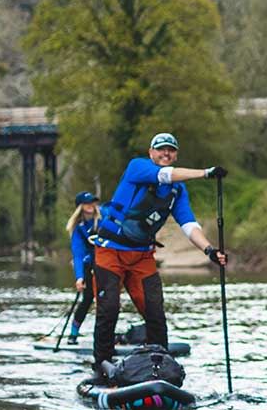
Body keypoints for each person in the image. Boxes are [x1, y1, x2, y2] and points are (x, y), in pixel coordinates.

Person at [88, 132, 228, 380]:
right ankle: (102, 366)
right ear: (151, 152)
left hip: (142, 256)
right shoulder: (138, 167)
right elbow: (165, 175)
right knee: (109, 308)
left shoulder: (177, 191)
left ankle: (161, 364)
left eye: (171, 151)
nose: (166, 154)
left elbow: (188, 225)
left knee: (154, 311)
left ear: (176, 155)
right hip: (110, 251)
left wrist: (210, 250)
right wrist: (205, 173)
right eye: (161, 149)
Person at [64, 191, 100, 344]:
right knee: (87, 299)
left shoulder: (103, 218)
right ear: (80, 207)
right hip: (89, 264)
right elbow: (78, 254)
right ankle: (73, 334)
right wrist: (79, 277)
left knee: (106, 300)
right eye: (87, 203)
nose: (90, 206)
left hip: (108, 263)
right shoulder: (78, 228)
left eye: (92, 202)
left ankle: (104, 335)